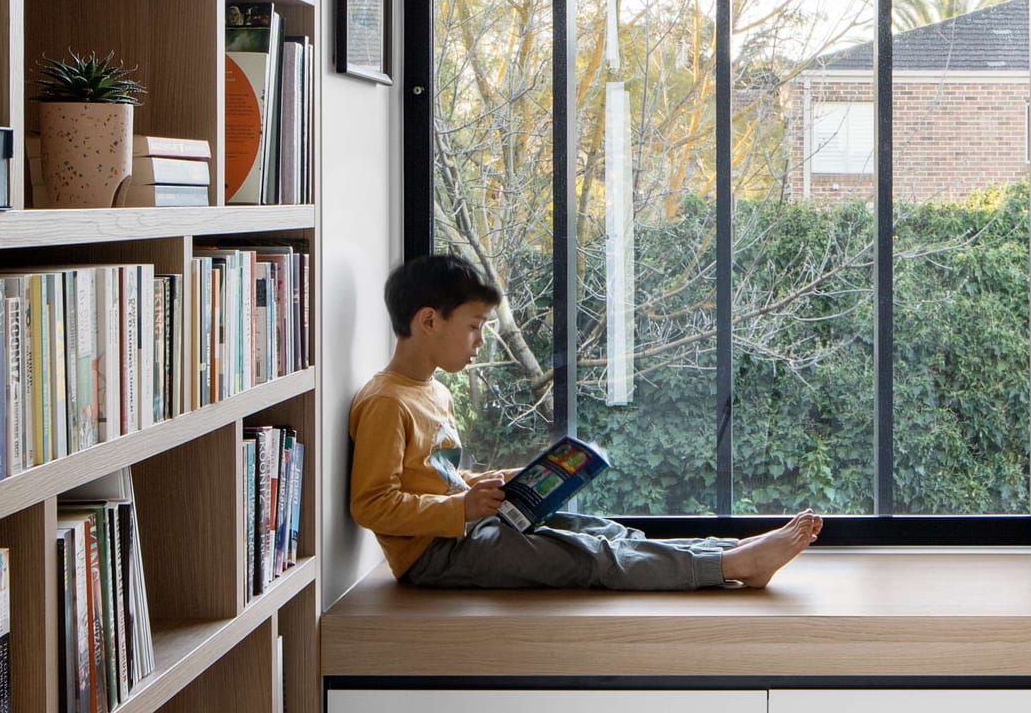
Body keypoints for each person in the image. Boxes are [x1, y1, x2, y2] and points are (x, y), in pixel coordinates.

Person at [349, 253, 823, 592]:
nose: (479, 341)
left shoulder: (433, 391)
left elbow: (437, 479)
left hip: (463, 531)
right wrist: (463, 510)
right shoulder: (386, 403)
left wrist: (488, 485)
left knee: (601, 530)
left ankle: (725, 551)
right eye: (473, 326)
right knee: (590, 556)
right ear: (429, 321)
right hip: (434, 556)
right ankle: (729, 565)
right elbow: (371, 504)